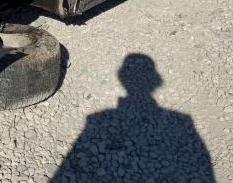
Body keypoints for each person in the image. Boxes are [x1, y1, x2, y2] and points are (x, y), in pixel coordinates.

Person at [51, 53, 215, 182]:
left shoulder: (96, 119)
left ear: (120, 76)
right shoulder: (182, 120)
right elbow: (204, 170)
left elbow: (67, 166)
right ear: (157, 80)